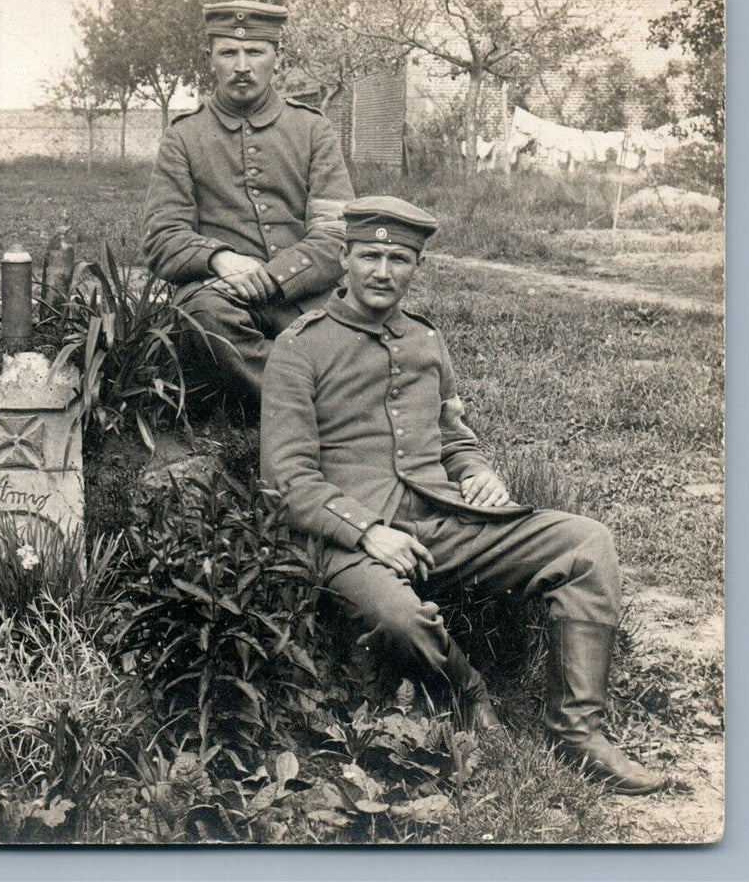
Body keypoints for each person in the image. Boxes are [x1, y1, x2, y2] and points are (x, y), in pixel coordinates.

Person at [260, 196, 665, 794]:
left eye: (399, 258)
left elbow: (452, 436)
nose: (382, 271)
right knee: (398, 619)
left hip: (441, 519)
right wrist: (368, 531)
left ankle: (577, 732)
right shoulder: (300, 346)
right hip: (348, 540)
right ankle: (470, 692)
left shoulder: (425, 339)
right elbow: (286, 479)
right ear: (343, 258)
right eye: (369, 255)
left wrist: (477, 471)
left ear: (415, 266)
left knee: (585, 544)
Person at [143, 0, 354, 404]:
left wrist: (276, 277)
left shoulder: (313, 129)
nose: (242, 65)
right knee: (201, 320)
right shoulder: (183, 137)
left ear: (277, 57)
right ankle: (319, 398)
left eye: (255, 51)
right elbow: (161, 236)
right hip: (220, 298)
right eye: (228, 52)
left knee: (356, 326)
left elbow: (338, 233)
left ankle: (281, 384)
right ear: (211, 60)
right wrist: (220, 259)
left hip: (302, 294)